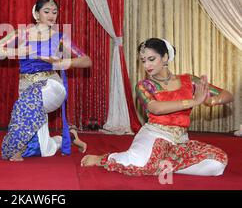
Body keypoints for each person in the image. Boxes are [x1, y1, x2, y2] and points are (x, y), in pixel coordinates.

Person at [81, 38, 233, 176]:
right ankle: (104, 158)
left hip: (180, 142)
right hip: (154, 136)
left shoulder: (189, 80)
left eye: (151, 59)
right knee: (137, 165)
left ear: (165, 57)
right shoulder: (145, 85)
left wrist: (210, 101)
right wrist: (194, 101)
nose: (147, 65)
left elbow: (227, 95)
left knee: (217, 164)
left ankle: (160, 164)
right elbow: (156, 109)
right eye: (143, 61)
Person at [0, 0, 91, 161]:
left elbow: (86, 61)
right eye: (47, 11)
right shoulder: (21, 34)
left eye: (55, 12)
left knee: (28, 100)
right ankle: (70, 137)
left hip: (52, 86)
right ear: (36, 14)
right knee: (41, 149)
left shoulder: (60, 37)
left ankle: (14, 148)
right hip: (27, 89)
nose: (52, 15)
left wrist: (59, 62)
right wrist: (18, 53)